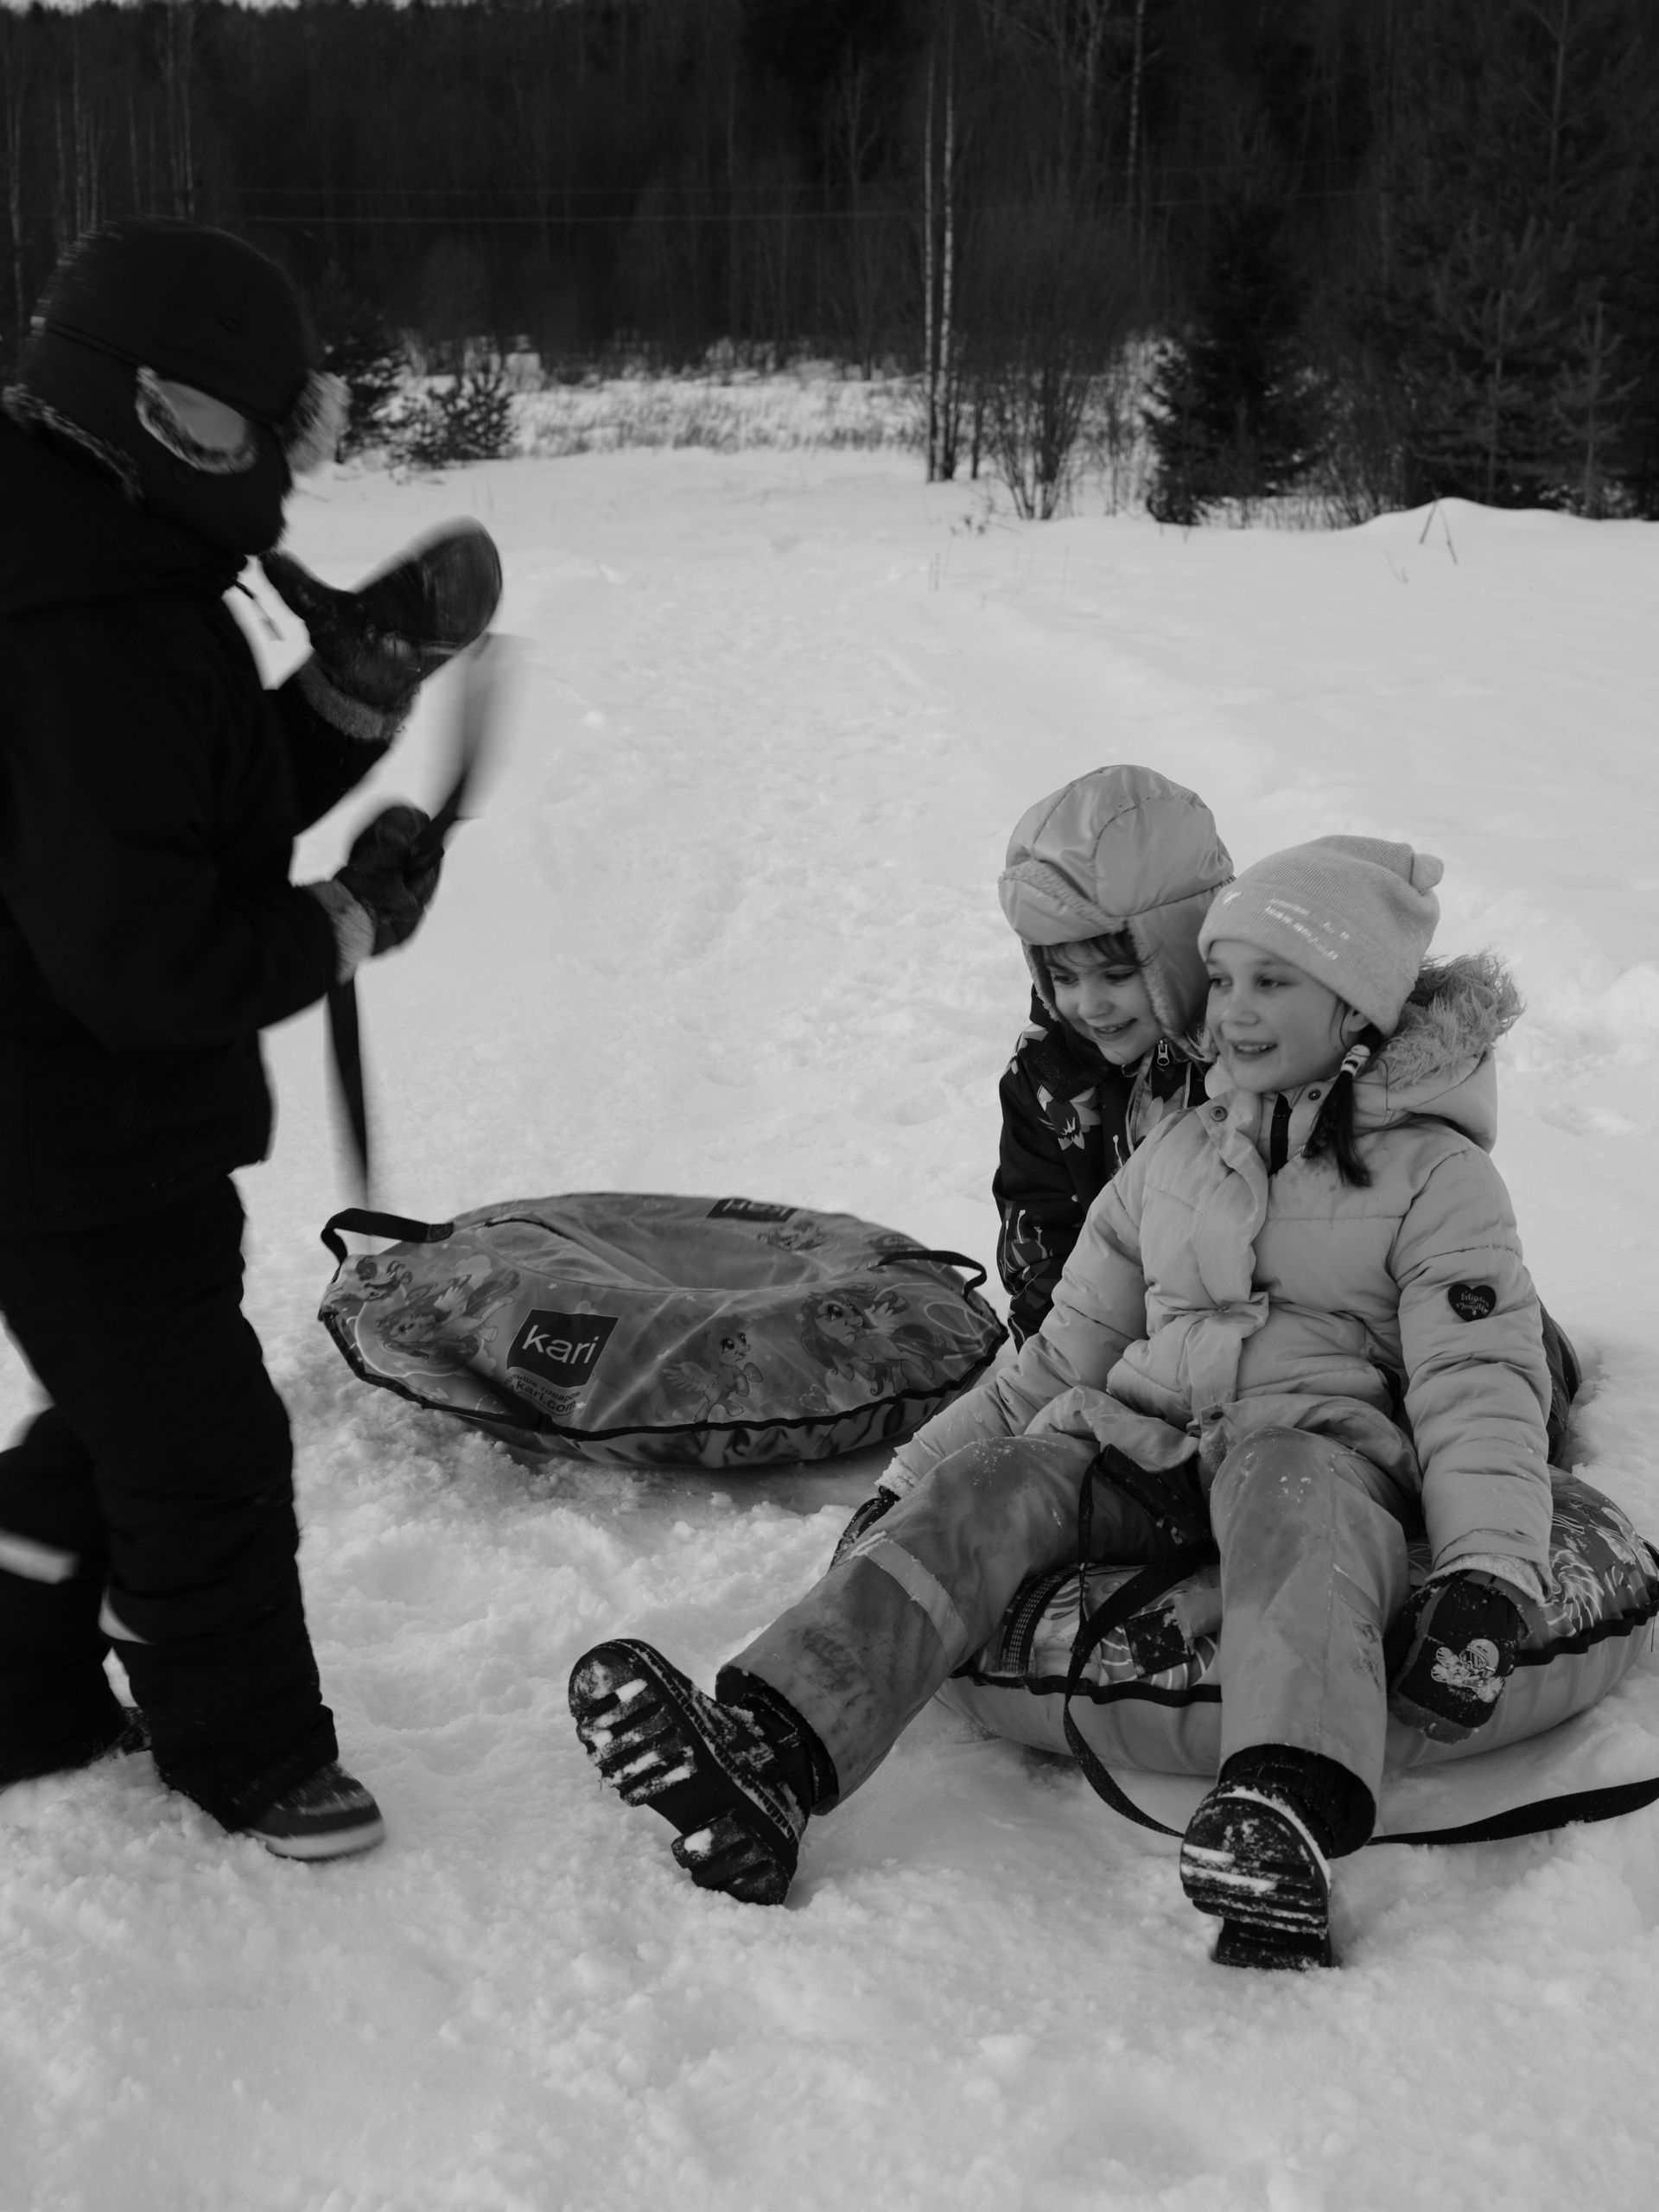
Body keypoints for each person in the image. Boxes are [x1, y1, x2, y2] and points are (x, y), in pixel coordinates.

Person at [569, 836, 1560, 1968]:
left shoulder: (1440, 1179)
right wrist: (909, 1482)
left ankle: (1281, 1812)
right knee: (997, 1480)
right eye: (1222, 977)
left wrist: (1489, 1577)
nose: (1234, 1009)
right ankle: (771, 1755)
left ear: (1357, 1004)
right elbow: (1056, 1357)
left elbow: (1481, 1383)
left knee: (1291, 1492)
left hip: (1316, 1453)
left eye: (1273, 981)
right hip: (1149, 1445)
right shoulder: (1175, 1155)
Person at [0, 219, 499, 1857]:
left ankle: (18, 1688)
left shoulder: (114, 567)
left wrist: (348, 699)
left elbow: (187, 817)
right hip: (60, 1130)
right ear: (165, 411)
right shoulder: (69, 625)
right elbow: (145, 959)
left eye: (304, 430)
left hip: (112, 1125)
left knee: (132, 1411)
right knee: (203, 1447)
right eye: (265, 430)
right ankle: (246, 1745)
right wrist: (339, 923)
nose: (284, 470)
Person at [993, 764, 1230, 1347]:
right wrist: (1055, 1357)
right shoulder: (1048, 1075)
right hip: (1090, 1348)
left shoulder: (1246, 1066)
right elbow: (1040, 1231)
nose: (1090, 1005)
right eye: (1064, 977)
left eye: (1118, 974)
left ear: (1182, 947)